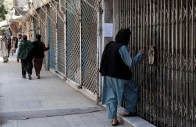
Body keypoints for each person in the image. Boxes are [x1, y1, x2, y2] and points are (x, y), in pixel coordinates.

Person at [100, 29, 144, 126]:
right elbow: (130, 63)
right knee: (132, 90)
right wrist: (140, 54)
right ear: (126, 38)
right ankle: (128, 110)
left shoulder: (110, 45)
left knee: (111, 96)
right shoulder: (122, 47)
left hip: (108, 75)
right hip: (120, 76)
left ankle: (114, 119)